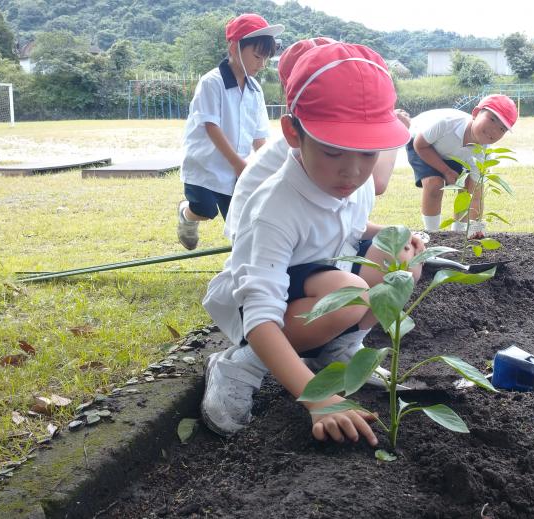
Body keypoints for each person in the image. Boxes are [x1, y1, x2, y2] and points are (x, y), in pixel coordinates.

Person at [202, 42, 425, 446]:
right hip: (264, 306)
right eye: (333, 150)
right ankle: (241, 366)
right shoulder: (273, 207)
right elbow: (260, 315)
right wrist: (318, 400)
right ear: (292, 133)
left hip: (318, 277)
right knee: (352, 294)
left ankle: (338, 350)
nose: (353, 171)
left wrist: (395, 237)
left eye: (368, 153)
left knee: (401, 261)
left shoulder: (350, 183)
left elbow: (350, 225)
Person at [222, 37, 409, 242]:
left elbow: (341, 222)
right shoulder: (306, 148)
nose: (352, 169)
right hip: (271, 247)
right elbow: (378, 183)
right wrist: (390, 142)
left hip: (315, 243)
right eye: (333, 152)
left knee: (401, 255)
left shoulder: (316, 144)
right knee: (341, 275)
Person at [176, 13, 284, 250]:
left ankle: (242, 266)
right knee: (204, 210)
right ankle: (186, 214)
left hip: (237, 172)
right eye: (257, 56)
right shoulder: (211, 82)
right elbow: (211, 126)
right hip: (204, 166)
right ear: (235, 48)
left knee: (240, 222)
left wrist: (271, 167)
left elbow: (259, 137)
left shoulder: (256, 90)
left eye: (265, 58)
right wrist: (238, 163)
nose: (261, 64)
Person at [406, 95, 517, 236]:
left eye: (502, 129)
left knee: (467, 190)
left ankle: (458, 236)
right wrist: (446, 171)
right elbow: (420, 145)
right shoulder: (446, 124)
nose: (494, 130)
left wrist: (476, 227)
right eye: (492, 119)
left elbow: (476, 195)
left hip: (455, 154)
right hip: (424, 144)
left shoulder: (483, 154)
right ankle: (432, 234)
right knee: (434, 184)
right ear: (476, 113)